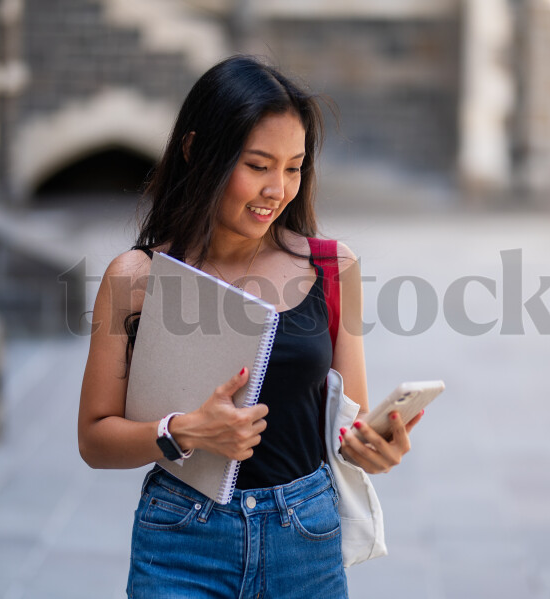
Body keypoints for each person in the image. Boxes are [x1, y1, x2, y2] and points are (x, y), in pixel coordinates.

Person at [78, 55, 423, 598]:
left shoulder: (333, 268)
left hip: (305, 540)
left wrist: (374, 449)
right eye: (258, 166)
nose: (278, 189)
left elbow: (345, 425)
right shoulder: (137, 278)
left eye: (294, 167)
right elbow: (95, 440)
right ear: (196, 152)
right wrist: (182, 431)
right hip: (180, 541)